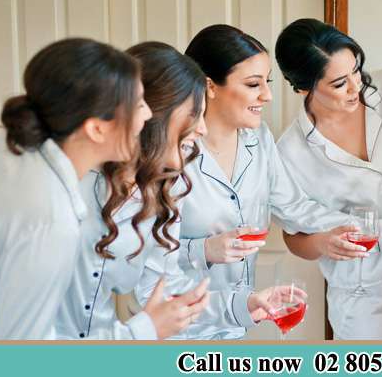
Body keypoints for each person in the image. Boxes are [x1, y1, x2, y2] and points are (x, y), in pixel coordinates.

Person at [135, 24, 353, 340]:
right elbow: (148, 259)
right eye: (253, 84)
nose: (267, 95)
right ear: (209, 86)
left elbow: (294, 207)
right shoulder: (167, 155)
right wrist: (204, 249)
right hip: (178, 332)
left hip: (236, 322)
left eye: (267, 82)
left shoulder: (259, 139)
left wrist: (374, 230)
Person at [0, 38, 148, 339]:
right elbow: (26, 362)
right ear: (96, 128)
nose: (148, 115)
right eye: (139, 104)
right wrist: (142, 331)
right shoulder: (51, 221)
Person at [275, 19, 382, 339]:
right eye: (338, 83)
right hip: (363, 297)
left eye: (356, 71)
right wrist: (322, 241)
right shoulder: (290, 153)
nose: (355, 88)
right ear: (303, 86)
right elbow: (294, 238)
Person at [55, 42, 211, 340]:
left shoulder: (162, 188)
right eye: (194, 114)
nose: (202, 128)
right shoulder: (70, 182)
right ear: (151, 112)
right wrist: (142, 333)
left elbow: (160, 285)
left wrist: (240, 305)